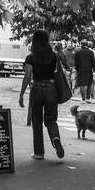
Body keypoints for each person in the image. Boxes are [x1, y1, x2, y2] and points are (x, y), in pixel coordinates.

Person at [19, 30, 65, 160]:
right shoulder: (54, 56)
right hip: (51, 89)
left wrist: (21, 94)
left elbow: (27, 76)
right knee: (51, 120)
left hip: (36, 89)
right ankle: (56, 140)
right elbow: (59, 73)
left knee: (37, 121)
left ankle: (39, 152)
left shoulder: (30, 57)